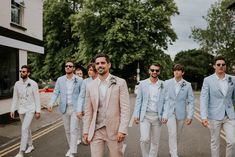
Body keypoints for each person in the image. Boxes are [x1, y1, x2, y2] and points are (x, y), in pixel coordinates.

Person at [83, 53, 130, 157]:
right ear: (95, 66)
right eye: (97, 63)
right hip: (96, 130)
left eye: (103, 63)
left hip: (115, 130)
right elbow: (88, 111)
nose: (100, 65)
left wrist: (122, 130)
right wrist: (86, 131)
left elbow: (125, 109)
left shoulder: (120, 82)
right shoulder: (90, 86)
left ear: (109, 65)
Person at [200, 56, 235, 157]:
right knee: (215, 142)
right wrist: (203, 116)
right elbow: (203, 98)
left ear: (225, 66)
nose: (221, 66)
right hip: (214, 116)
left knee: (232, 142)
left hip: (229, 115)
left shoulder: (232, 79)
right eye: (218, 64)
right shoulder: (208, 80)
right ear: (214, 66)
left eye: (223, 65)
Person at [48, 61, 83, 157]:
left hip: (75, 108)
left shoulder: (79, 80)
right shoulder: (60, 80)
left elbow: (82, 95)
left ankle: (72, 152)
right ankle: (71, 148)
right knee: (67, 130)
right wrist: (51, 103)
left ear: (74, 68)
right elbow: (56, 93)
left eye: (70, 66)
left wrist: (81, 109)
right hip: (64, 108)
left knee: (73, 130)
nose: (67, 67)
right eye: (66, 66)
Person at [133, 63, 167, 157]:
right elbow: (139, 100)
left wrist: (165, 115)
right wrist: (136, 114)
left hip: (157, 117)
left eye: (156, 70)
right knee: (144, 139)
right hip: (145, 116)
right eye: (152, 70)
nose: (154, 72)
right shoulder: (142, 84)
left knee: (155, 141)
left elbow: (166, 101)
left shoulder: (163, 84)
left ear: (159, 72)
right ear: (149, 71)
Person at [164, 64, 195, 157]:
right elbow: (163, 99)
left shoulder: (188, 85)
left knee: (177, 134)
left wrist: (190, 116)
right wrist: (163, 114)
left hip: (181, 113)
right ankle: (174, 154)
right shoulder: (167, 83)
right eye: (175, 70)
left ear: (183, 72)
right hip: (170, 112)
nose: (176, 72)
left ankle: (172, 150)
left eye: (178, 70)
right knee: (172, 133)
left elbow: (191, 101)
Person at [10, 65, 41, 157]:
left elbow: (37, 98)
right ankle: (30, 145)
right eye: (21, 71)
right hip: (21, 109)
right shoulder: (17, 84)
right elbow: (15, 98)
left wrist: (38, 111)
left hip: (30, 109)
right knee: (26, 128)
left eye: (23, 71)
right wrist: (12, 109)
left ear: (28, 73)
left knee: (24, 129)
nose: (21, 73)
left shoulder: (33, 83)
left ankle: (21, 152)